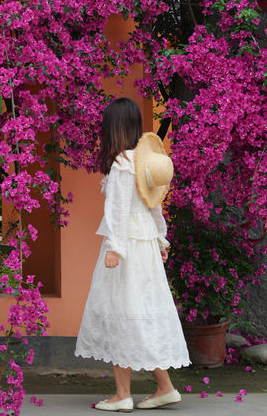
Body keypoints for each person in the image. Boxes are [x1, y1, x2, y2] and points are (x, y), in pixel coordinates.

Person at [75, 97, 190, 412]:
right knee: (139, 313)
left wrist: (115, 247)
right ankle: (164, 387)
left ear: (112, 128)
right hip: (145, 247)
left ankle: (123, 394)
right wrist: (162, 241)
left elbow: (117, 210)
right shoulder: (142, 162)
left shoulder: (122, 164)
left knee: (120, 313)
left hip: (125, 247)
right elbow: (154, 205)